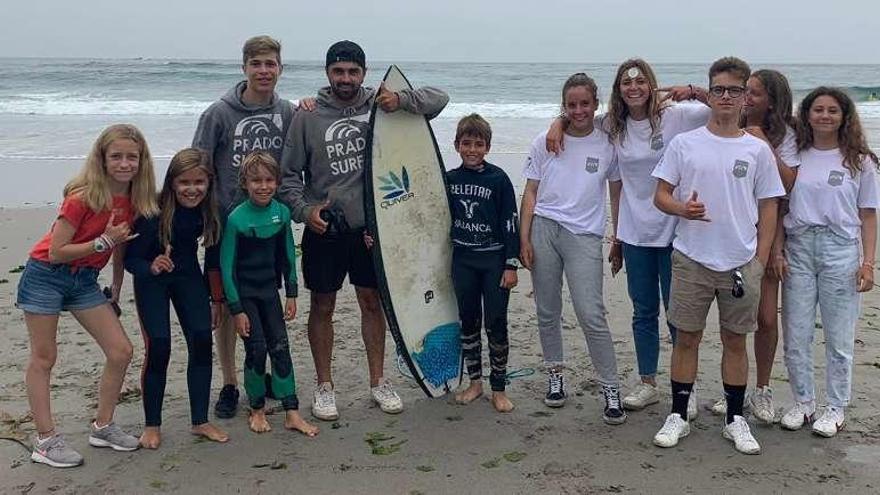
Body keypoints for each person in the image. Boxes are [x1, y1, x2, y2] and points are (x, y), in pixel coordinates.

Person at [278, 40, 449, 420]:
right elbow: (286, 178)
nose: (345, 79)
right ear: (327, 73)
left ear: (364, 73)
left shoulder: (379, 104)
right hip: (326, 230)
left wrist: (401, 100)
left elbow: (440, 98)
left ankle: (378, 381)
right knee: (323, 306)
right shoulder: (307, 116)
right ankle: (324, 386)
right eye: (338, 71)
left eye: (353, 71)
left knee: (372, 304)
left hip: (373, 229)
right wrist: (305, 212)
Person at [546, 59, 709, 415]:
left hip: (673, 228)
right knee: (643, 310)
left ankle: (687, 385)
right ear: (618, 89)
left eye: (639, 80)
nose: (633, 87)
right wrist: (557, 124)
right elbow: (579, 117)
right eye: (625, 82)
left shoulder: (676, 116)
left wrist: (694, 90)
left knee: (677, 312)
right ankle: (648, 382)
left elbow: (729, 112)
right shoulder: (613, 125)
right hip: (635, 231)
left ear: (651, 84)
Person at [651, 57, 784, 455]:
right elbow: (660, 195)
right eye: (719, 90)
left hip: (740, 261)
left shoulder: (756, 150)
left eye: (735, 90)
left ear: (745, 97)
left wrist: (759, 260)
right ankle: (678, 412)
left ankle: (735, 419)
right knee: (686, 337)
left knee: (734, 340)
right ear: (708, 94)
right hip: (692, 257)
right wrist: (681, 209)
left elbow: (769, 206)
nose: (726, 97)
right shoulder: (685, 143)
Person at [16, 123, 158, 467]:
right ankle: (46, 440)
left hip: (86, 281)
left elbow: (121, 249)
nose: (125, 164)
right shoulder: (82, 197)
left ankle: (103, 426)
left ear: (141, 161)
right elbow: (56, 251)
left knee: (121, 350)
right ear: (103, 159)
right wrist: (103, 242)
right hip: (46, 276)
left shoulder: (134, 201)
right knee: (44, 357)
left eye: (132, 157)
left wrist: (116, 288)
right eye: (117, 157)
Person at [192, 35, 312, 419]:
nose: (264, 71)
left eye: (270, 64)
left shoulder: (289, 112)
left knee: (267, 301)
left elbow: (301, 157)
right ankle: (230, 383)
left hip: (271, 226)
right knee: (228, 307)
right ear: (244, 67)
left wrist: (313, 105)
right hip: (227, 227)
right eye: (256, 63)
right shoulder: (218, 114)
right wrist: (201, 222)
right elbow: (198, 169)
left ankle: (271, 377)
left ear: (280, 68)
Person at [519, 72, 627, 425]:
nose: (578, 110)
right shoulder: (545, 140)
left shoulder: (608, 141)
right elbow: (531, 191)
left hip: (584, 235)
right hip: (544, 229)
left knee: (590, 313)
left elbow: (615, 192)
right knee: (547, 310)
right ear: (563, 106)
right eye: (571, 105)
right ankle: (555, 375)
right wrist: (524, 239)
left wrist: (618, 237)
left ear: (596, 104)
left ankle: (610, 387)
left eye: (584, 104)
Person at [779, 87, 878, 437]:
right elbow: (782, 205)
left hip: (840, 249)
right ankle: (803, 402)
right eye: (817, 109)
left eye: (832, 110)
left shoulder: (860, 160)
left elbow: (867, 214)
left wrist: (868, 263)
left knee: (838, 337)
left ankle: (835, 407)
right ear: (807, 115)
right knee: (796, 332)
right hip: (800, 246)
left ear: (843, 116)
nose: (824, 116)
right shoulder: (796, 155)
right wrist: (778, 250)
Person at [710, 69, 799, 422]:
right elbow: (705, 101)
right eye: (744, 91)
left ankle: (762, 389)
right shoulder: (731, 123)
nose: (745, 97)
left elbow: (788, 187)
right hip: (734, 234)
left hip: (772, 233)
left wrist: (763, 143)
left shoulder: (787, 134)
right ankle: (735, 390)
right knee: (734, 319)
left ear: (773, 100)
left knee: (764, 317)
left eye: (755, 93)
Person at [124, 148, 229, 448]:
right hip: (152, 282)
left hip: (188, 276)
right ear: (172, 182)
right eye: (185, 182)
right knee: (159, 346)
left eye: (199, 182)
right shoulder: (151, 212)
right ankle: (152, 425)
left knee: (201, 339)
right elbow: (132, 260)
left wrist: (217, 300)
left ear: (209, 183)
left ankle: (200, 421)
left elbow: (213, 260)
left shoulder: (212, 211)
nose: (192, 189)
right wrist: (151, 265)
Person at [220, 151, 318, 436]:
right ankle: (257, 409)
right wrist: (236, 309)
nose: (263, 186)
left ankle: (292, 412)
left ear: (276, 182)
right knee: (257, 348)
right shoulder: (236, 219)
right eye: (256, 181)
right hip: (245, 296)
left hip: (270, 294)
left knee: (281, 347)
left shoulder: (281, 213)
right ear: (245, 183)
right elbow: (227, 268)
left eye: (268, 180)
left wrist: (292, 293)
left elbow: (289, 254)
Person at [446, 114, 520, 413]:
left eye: (478, 144)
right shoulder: (449, 180)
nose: (472, 149)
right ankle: (475, 383)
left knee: (496, 323)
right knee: (469, 322)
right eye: (466, 143)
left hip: (493, 260)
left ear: (488, 147)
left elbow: (510, 222)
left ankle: (499, 388)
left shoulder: (498, 179)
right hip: (463, 259)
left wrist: (511, 265)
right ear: (457, 145)